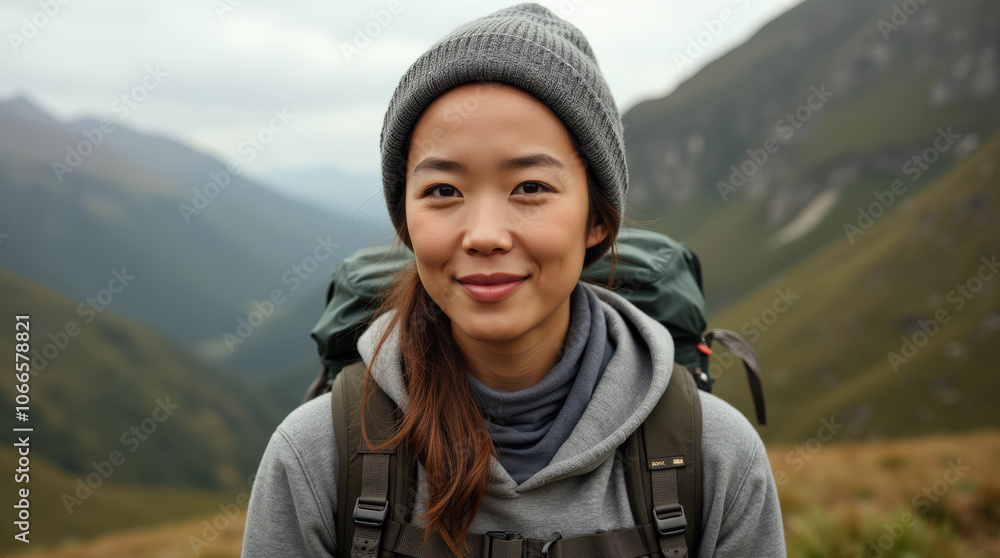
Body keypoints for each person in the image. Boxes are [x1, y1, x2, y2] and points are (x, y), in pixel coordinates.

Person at [242, 4, 785, 557]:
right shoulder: (316, 458)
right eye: (443, 191)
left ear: (598, 218)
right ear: (406, 220)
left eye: (529, 187)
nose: (483, 235)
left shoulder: (716, 458)